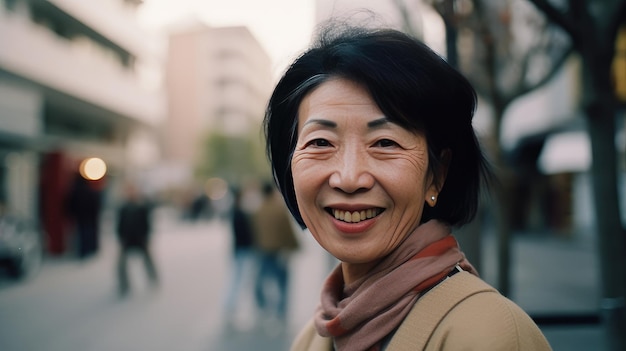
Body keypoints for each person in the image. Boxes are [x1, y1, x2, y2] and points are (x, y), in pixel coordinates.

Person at [262, 23, 552, 350]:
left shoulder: (488, 334)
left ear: (436, 175)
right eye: (320, 142)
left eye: (385, 142)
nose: (348, 178)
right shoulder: (317, 335)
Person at [252, 181, 300, 327]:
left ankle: (264, 307)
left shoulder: (257, 210)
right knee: (283, 283)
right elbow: (288, 232)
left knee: (260, 281)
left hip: (263, 251)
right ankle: (281, 311)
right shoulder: (279, 210)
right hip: (279, 252)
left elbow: (253, 232)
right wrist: (295, 247)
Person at [115, 182, 158, 297]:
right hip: (127, 239)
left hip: (140, 238)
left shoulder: (142, 207)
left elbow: (147, 224)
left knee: (148, 259)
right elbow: (120, 225)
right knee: (121, 264)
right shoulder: (123, 208)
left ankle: (153, 278)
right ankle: (124, 286)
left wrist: (146, 237)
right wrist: (121, 237)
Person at [222, 186, 256, 329]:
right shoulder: (239, 213)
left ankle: (231, 307)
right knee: (238, 280)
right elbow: (244, 234)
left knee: (237, 279)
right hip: (243, 251)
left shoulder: (235, 212)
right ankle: (230, 307)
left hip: (239, 250)